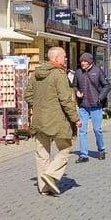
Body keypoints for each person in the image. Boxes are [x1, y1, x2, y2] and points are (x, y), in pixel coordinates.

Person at [24, 47, 81, 196]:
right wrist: (75, 118)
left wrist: (39, 106)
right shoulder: (59, 74)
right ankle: (51, 174)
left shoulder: (36, 74)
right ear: (56, 58)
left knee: (41, 153)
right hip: (57, 120)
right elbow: (66, 99)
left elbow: (27, 95)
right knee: (66, 149)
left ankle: (44, 188)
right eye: (64, 56)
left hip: (39, 120)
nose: (66, 59)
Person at [73, 52, 110, 161]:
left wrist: (100, 98)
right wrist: (77, 92)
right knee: (82, 131)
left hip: (95, 105)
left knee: (97, 130)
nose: (83, 63)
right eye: (81, 61)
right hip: (83, 106)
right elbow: (74, 85)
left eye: (85, 61)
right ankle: (84, 155)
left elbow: (107, 86)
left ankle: (101, 150)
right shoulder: (78, 72)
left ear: (90, 62)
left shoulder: (98, 71)